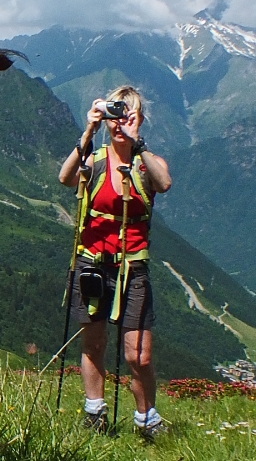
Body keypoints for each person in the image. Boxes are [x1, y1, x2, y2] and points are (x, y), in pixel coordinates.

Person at [58, 86, 172, 440]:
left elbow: (164, 183)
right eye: (114, 117)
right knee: (93, 344)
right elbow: (65, 177)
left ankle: (146, 419)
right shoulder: (95, 159)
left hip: (132, 268)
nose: (119, 124)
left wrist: (138, 143)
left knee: (138, 355)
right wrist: (88, 131)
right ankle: (95, 412)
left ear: (139, 119)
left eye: (128, 116)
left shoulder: (147, 164)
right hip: (92, 265)